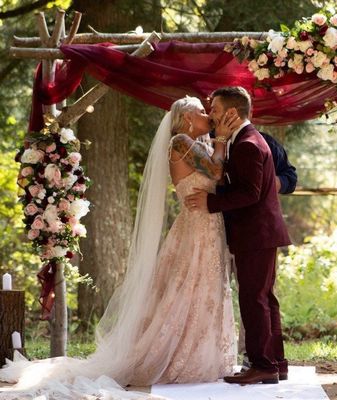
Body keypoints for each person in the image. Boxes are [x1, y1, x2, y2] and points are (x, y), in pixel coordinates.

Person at [0, 96, 238, 399]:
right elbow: (216, 173)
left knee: (205, 289)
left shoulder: (200, 144)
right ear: (188, 118)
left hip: (209, 226)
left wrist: (219, 142)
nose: (208, 116)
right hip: (195, 228)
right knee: (189, 286)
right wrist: (221, 139)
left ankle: (202, 355)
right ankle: (176, 357)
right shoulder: (180, 141)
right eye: (202, 113)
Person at [185, 86, 291, 385]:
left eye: (215, 110)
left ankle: (263, 365)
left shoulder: (247, 144)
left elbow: (250, 193)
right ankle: (276, 363)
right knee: (265, 299)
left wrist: (211, 202)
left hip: (256, 233)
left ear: (231, 113)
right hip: (260, 233)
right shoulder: (243, 139)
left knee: (254, 299)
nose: (212, 115)